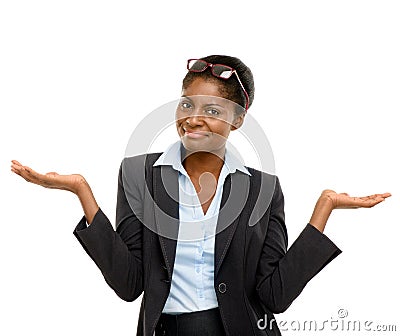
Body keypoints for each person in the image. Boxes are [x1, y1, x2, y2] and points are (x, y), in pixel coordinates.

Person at [11, 55, 391, 336]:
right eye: (186, 104)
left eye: (212, 109)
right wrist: (82, 193)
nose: (192, 118)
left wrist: (323, 212)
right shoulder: (138, 174)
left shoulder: (262, 187)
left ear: (237, 119)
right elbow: (129, 284)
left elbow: (274, 295)